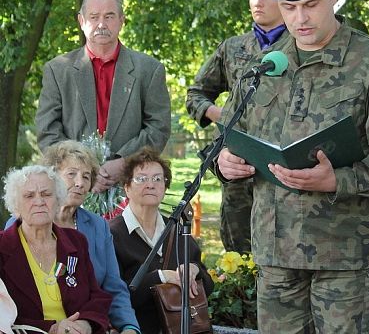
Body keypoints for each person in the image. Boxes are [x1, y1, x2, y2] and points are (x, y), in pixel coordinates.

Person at [217, 0, 369, 333]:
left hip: (348, 260)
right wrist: (226, 161)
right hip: (277, 254)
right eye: (289, 7)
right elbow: (231, 135)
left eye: (310, 4)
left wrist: (339, 180)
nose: (300, 18)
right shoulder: (265, 65)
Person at [186, 0, 288, 253]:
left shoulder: (299, 45)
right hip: (238, 167)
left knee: (283, 251)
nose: (258, 2)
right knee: (239, 254)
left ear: (283, 1)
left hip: (281, 167)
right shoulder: (233, 47)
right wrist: (219, 115)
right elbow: (196, 94)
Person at [35, 0, 171, 194]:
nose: (101, 24)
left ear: (121, 20)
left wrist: (124, 162)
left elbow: (158, 128)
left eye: (109, 16)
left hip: (132, 186)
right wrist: (83, 171)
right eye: (94, 17)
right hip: (73, 190)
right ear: (81, 21)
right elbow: (47, 131)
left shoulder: (149, 70)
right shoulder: (57, 70)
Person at [6, 141, 141, 333]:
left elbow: (113, 287)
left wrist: (128, 327)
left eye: (86, 177)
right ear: (52, 178)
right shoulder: (19, 224)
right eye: (72, 174)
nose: (79, 182)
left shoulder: (97, 227)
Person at [109, 147, 213, 334]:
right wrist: (162, 277)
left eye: (158, 179)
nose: (150, 184)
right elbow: (114, 296)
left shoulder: (178, 229)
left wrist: (193, 271)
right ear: (126, 187)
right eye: (141, 179)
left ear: (165, 187)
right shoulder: (112, 234)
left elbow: (208, 286)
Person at [0, 165, 111, 333]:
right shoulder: (2, 247)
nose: (39, 201)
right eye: (29, 196)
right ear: (16, 206)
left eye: (46, 194)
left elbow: (96, 296)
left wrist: (86, 323)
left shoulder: (76, 241)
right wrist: (52, 328)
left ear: (58, 200)